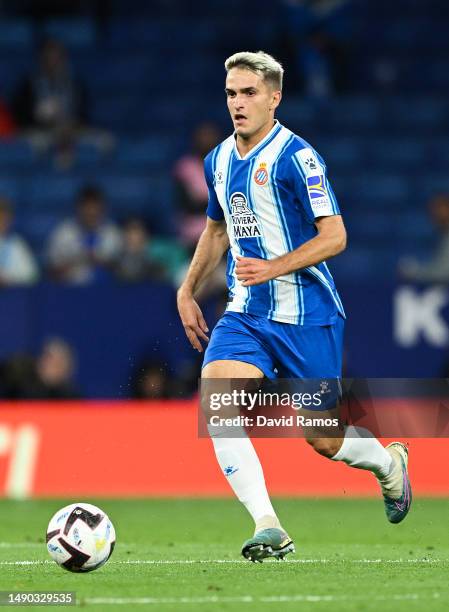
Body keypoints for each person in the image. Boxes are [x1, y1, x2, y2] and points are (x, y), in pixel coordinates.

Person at [177, 51, 412, 562]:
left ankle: (388, 463)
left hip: (308, 315)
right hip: (247, 313)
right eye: (231, 94)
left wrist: (276, 265)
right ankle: (269, 526)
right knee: (218, 404)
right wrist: (187, 288)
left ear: (274, 97)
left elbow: (336, 236)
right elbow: (217, 229)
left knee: (324, 441)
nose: (237, 104)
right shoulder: (216, 160)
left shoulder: (297, 157)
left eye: (249, 93)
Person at [46, 185, 121, 284]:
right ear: (78, 208)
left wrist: (97, 261)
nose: (91, 212)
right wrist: (77, 261)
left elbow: (121, 270)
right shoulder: (63, 233)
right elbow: (51, 269)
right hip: (69, 291)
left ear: (102, 209)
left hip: (107, 291)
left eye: (94, 208)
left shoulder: (112, 233)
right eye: (87, 208)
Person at [398, 193, 449, 283]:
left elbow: (444, 273)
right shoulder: (442, 235)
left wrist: (414, 273)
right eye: (432, 210)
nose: (435, 213)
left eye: (440, 208)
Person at [0, 197, 39, 286]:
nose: (2, 221)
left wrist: (6, 279)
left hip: (12, 297)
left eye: (4, 217)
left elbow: (31, 276)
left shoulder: (16, 244)